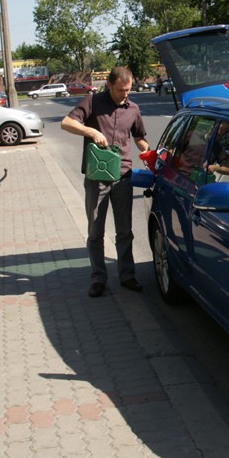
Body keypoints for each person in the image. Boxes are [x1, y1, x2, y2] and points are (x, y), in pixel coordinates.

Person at [61, 69, 150, 297]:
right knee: (95, 232)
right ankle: (98, 279)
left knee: (125, 231)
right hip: (96, 178)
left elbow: (139, 136)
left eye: (128, 90)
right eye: (120, 90)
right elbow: (66, 123)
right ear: (109, 85)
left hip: (123, 177)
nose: (124, 95)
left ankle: (127, 276)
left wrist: (147, 151)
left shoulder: (133, 109)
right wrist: (89, 131)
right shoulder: (92, 102)